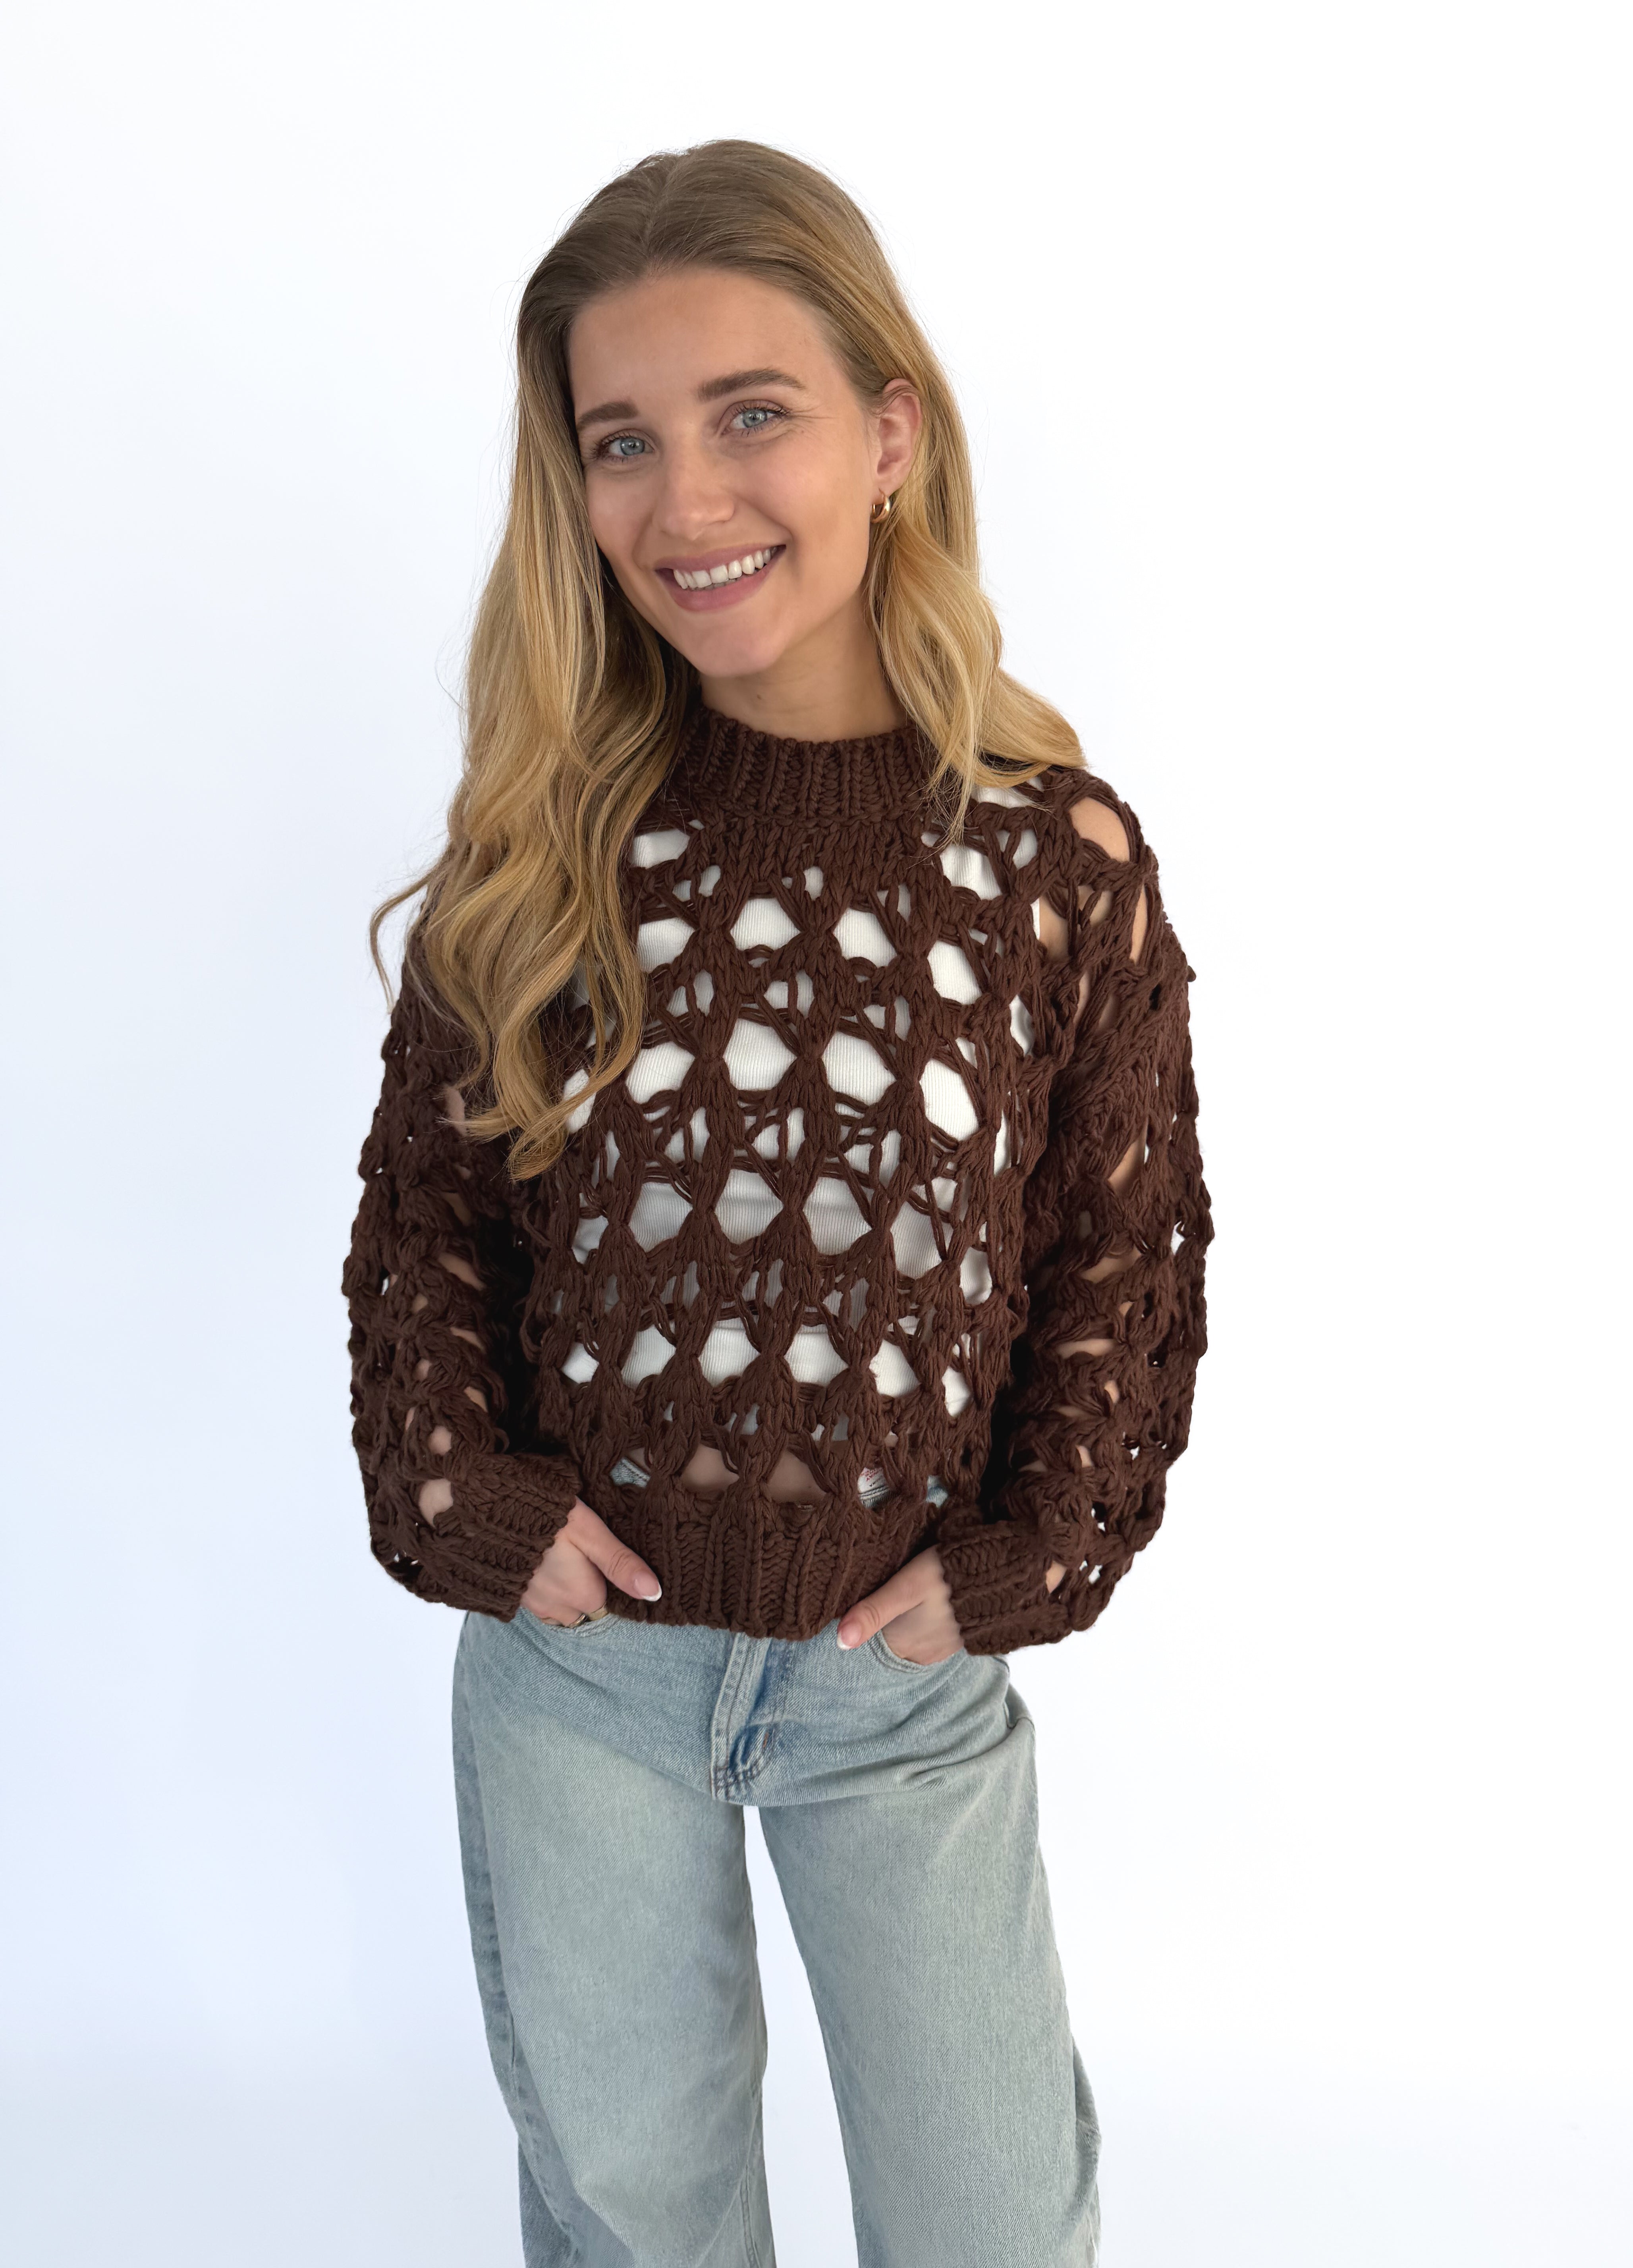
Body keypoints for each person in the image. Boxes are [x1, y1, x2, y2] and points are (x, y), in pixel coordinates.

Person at [343, 137, 1212, 2268]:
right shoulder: (549, 853)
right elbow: (427, 1230)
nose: (686, 499)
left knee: (990, 2219)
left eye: (754, 415)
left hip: (890, 1676)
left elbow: (1121, 1257)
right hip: (587, 1675)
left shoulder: (1053, 864)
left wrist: (1040, 1551)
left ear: (890, 435)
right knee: (637, 2218)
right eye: (621, 440)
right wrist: (464, 1497)